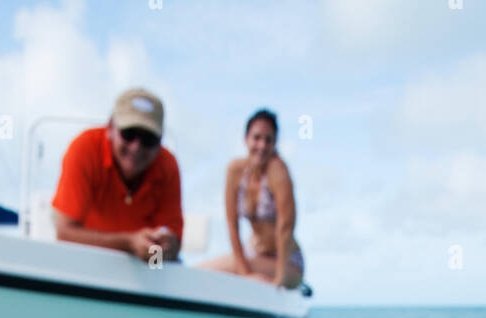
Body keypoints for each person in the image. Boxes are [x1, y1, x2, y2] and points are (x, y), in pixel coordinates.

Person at [52, 89, 183, 262]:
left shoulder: (168, 165)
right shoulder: (84, 149)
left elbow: (172, 246)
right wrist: (128, 243)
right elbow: (64, 233)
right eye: (129, 134)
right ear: (110, 128)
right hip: (85, 262)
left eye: (148, 138)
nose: (136, 147)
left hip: (144, 269)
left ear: (160, 140)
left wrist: (166, 248)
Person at [200, 110, 304, 288]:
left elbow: (286, 226)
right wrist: (245, 273)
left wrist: (278, 282)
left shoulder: (277, 170)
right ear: (246, 139)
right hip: (254, 253)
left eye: (268, 140)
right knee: (222, 272)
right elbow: (232, 224)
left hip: (286, 261)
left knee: (205, 271)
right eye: (257, 138)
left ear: (275, 143)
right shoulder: (235, 170)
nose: (262, 146)